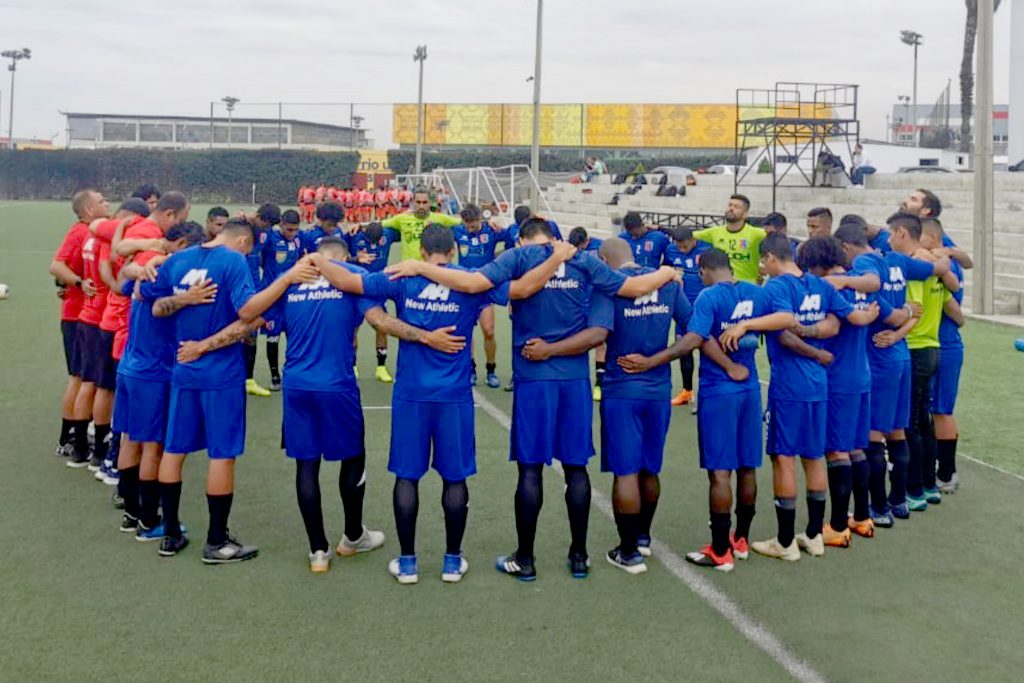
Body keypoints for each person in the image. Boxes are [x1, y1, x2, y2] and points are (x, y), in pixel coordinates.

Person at [384, 217, 680, 581]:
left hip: (533, 377)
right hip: (574, 380)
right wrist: (667, 272)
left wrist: (419, 267)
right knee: (576, 468)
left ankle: (525, 559)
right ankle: (579, 556)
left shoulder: (518, 257)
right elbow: (633, 288)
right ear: (554, 237)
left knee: (530, 469)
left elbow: (475, 283)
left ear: (523, 238)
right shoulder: (582, 259)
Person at [311, 225, 575, 582]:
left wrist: (315, 260)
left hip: (411, 394)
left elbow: (347, 282)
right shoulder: (472, 280)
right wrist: (557, 257)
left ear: (421, 251)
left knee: (407, 476)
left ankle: (407, 562)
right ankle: (452, 561)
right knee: (455, 477)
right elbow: (525, 288)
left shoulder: (402, 276)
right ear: (453, 251)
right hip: (454, 396)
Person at [140, 218, 319, 562]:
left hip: (183, 369)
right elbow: (247, 311)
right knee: (222, 453)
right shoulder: (234, 261)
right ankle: (216, 541)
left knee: (174, 449)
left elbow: (156, 305)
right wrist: (286, 279)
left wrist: (179, 296)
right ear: (242, 242)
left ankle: (170, 534)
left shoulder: (178, 260)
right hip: (220, 374)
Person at [731, 234, 878, 561]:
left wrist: (746, 326)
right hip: (818, 383)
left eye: (763, 262)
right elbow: (836, 323)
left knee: (783, 456)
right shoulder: (819, 285)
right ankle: (813, 535)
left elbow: (785, 332)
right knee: (813, 456)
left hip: (790, 383)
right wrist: (823, 340)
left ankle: (785, 542)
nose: (762, 268)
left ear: (771, 258)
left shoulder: (777, 287)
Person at [681, 248, 795, 571]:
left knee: (720, 471)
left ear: (703, 270)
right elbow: (786, 318)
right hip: (750, 388)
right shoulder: (756, 293)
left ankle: (720, 550)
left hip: (720, 389)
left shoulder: (708, 296)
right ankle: (741, 540)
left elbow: (698, 338)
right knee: (747, 466)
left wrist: (728, 366)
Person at [586, 238, 692, 573]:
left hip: (621, 389)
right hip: (658, 390)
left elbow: (598, 334)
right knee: (649, 468)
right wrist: (659, 357)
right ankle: (643, 537)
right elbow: (693, 329)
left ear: (604, 260)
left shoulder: (609, 287)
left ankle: (628, 551)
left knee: (626, 471)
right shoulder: (668, 284)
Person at [795, 236, 910, 545]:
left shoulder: (829, 288)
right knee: (857, 447)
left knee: (836, 450)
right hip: (862, 375)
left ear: (816, 264)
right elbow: (884, 309)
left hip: (838, 378)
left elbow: (831, 325)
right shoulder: (861, 285)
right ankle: (861, 516)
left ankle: (836, 526)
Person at [834, 217, 948, 525]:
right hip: (901, 355)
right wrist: (943, 255)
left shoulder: (864, 266)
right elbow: (938, 268)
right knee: (897, 430)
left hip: (879, 355)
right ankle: (900, 501)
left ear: (845, 247)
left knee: (873, 434)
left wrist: (899, 314)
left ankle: (880, 508)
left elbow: (883, 309)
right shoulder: (897, 260)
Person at [114, 220, 208, 538]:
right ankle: (148, 520)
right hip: (153, 371)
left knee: (131, 439)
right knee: (152, 446)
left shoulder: (151, 267)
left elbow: (124, 281)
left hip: (130, 366)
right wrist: (187, 298)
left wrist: (137, 268)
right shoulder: (170, 273)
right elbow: (156, 305)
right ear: (181, 245)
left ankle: (131, 513)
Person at [892, 216, 960, 511]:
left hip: (916, 347)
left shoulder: (916, 270)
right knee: (923, 420)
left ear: (903, 233)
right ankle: (929, 485)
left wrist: (894, 335)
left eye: (891, 234)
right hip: (932, 346)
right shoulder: (936, 270)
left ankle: (915, 488)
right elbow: (952, 296)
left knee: (910, 423)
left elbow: (914, 310)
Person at [50, 190, 109, 459]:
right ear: (88, 210)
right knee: (80, 377)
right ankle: (69, 437)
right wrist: (78, 283)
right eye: (101, 201)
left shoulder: (93, 232)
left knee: (84, 378)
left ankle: (76, 435)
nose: (106, 203)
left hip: (84, 314)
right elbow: (57, 266)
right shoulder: (80, 232)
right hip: (78, 315)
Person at [921, 219, 966, 493]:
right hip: (941, 342)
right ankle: (937, 468)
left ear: (932, 237)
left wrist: (959, 318)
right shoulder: (944, 260)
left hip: (945, 344)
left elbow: (953, 303)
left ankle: (947, 473)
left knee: (941, 410)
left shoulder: (943, 263)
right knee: (933, 409)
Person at [451, 203, 511, 388]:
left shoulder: (491, 231)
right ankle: (471, 370)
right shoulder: (457, 231)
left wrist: (498, 258)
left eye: (473, 225)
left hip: (485, 291)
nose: (470, 229)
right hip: (465, 290)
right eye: (467, 225)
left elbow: (512, 237)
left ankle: (491, 370)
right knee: (466, 332)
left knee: (489, 331)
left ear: (480, 219)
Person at [346, 221, 401, 382]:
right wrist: (356, 259)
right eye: (371, 241)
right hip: (358, 287)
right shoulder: (354, 236)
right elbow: (340, 256)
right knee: (353, 328)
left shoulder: (389, 234)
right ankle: (352, 366)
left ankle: (381, 368)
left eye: (377, 241)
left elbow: (404, 227)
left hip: (378, 289)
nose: (374, 244)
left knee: (381, 327)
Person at [663, 227, 711, 408]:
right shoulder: (670, 250)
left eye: (685, 246)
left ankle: (705, 393)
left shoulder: (706, 249)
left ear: (693, 239)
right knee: (683, 348)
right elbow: (666, 269)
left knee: (707, 349)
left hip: (704, 308)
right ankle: (687, 391)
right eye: (679, 247)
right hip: (682, 308)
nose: (682, 250)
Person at [239, 203, 281, 398]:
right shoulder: (240, 226)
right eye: (265, 223)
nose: (267, 228)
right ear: (258, 216)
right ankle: (236, 378)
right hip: (236, 285)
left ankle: (249, 380)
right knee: (233, 332)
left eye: (270, 225)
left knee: (251, 334)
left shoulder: (267, 233)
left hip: (254, 289)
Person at [261, 209, 305, 391]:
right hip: (272, 296)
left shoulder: (300, 238)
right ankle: (274, 376)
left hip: (292, 296)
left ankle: (293, 373)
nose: (292, 233)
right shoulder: (270, 238)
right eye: (289, 229)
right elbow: (259, 257)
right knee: (273, 336)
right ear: (280, 224)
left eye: (295, 229)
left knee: (294, 335)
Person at [692, 195, 766, 284]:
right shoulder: (715, 232)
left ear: (745, 214)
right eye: (730, 205)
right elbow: (689, 236)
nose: (731, 209)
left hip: (747, 287)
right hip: (723, 286)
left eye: (736, 207)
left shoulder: (757, 234)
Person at [380, 187, 462, 261]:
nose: (421, 206)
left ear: (430, 203)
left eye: (424, 202)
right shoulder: (402, 219)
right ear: (413, 202)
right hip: (409, 269)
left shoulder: (440, 219)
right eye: (418, 202)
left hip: (430, 269)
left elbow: (464, 223)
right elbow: (378, 226)